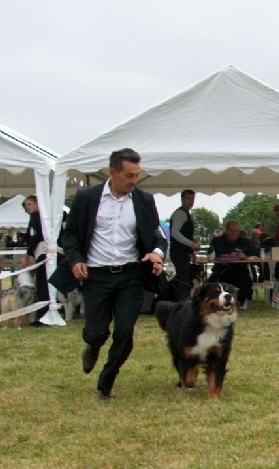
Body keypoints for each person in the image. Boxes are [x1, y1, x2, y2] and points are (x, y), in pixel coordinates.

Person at [59, 148, 167, 400]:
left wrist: (157, 253)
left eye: (136, 175)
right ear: (112, 172)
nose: (134, 181)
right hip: (96, 275)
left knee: (124, 332)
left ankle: (106, 381)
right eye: (129, 176)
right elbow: (70, 234)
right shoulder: (87, 198)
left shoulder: (143, 200)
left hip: (130, 275)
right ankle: (93, 344)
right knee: (96, 331)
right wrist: (75, 259)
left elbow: (157, 234)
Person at [207, 220, 258, 310]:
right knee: (213, 282)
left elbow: (255, 256)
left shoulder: (245, 242)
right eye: (231, 231)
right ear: (226, 231)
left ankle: (242, 301)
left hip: (240, 270)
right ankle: (216, 303)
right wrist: (228, 256)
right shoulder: (217, 241)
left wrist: (245, 256)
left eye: (236, 231)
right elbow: (213, 256)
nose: (234, 233)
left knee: (247, 282)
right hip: (222, 270)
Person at [19, 195, 49, 326]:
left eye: (29, 204)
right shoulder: (42, 217)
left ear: (37, 204)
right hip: (43, 253)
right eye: (26, 205)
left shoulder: (36, 217)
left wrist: (27, 255)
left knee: (42, 285)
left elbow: (34, 238)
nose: (27, 208)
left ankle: (43, 315)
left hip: (43, 253)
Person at [169, 189, 201, 299]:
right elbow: (174, 233)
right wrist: (191, 244)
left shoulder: (187, 214)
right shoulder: (180, 214)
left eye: (192, 199)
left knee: (185, 277)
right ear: (182, 199)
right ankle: (182, 302)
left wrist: (191, 251)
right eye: (188, 198)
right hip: (179, 252)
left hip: (184, 252)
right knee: (183, 279)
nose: (191, 201)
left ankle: (183, 301)